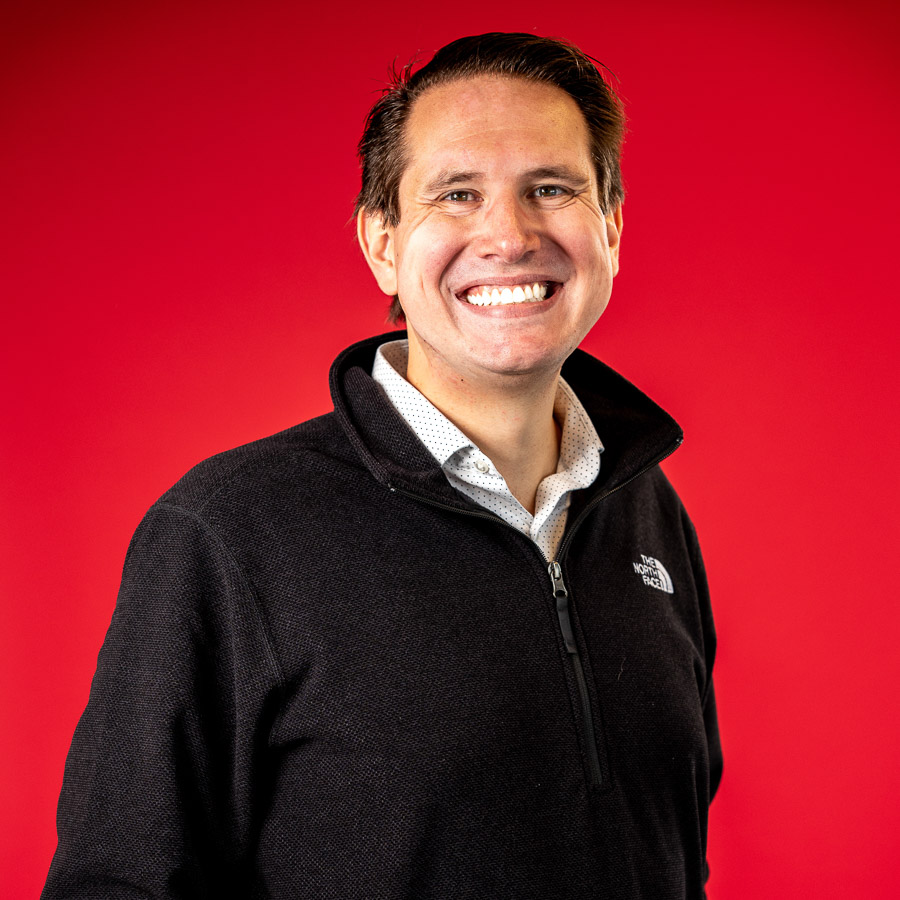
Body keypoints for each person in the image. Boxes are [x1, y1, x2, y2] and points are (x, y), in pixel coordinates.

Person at [43, 32, 722, 899]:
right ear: (382, 245)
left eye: (551, 189)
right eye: (457, 194)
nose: (509, 235)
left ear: (612, 227)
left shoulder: (645, 511)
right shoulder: (229, 532)